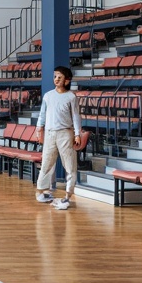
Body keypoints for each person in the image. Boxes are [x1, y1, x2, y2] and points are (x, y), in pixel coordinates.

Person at [35, 65, 83, 210]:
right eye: (55, 76)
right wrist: (39, 129)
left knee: (69, 165)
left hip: (65, 134)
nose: (56, 79)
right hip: (49, 133)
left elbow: (76, 116)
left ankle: (67, 197)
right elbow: (42, 114)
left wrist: (77, 134)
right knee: (46, 163)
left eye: (59, 77)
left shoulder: (71, 97)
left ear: (67, 81)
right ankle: (41, 192)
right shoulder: (48, 95)